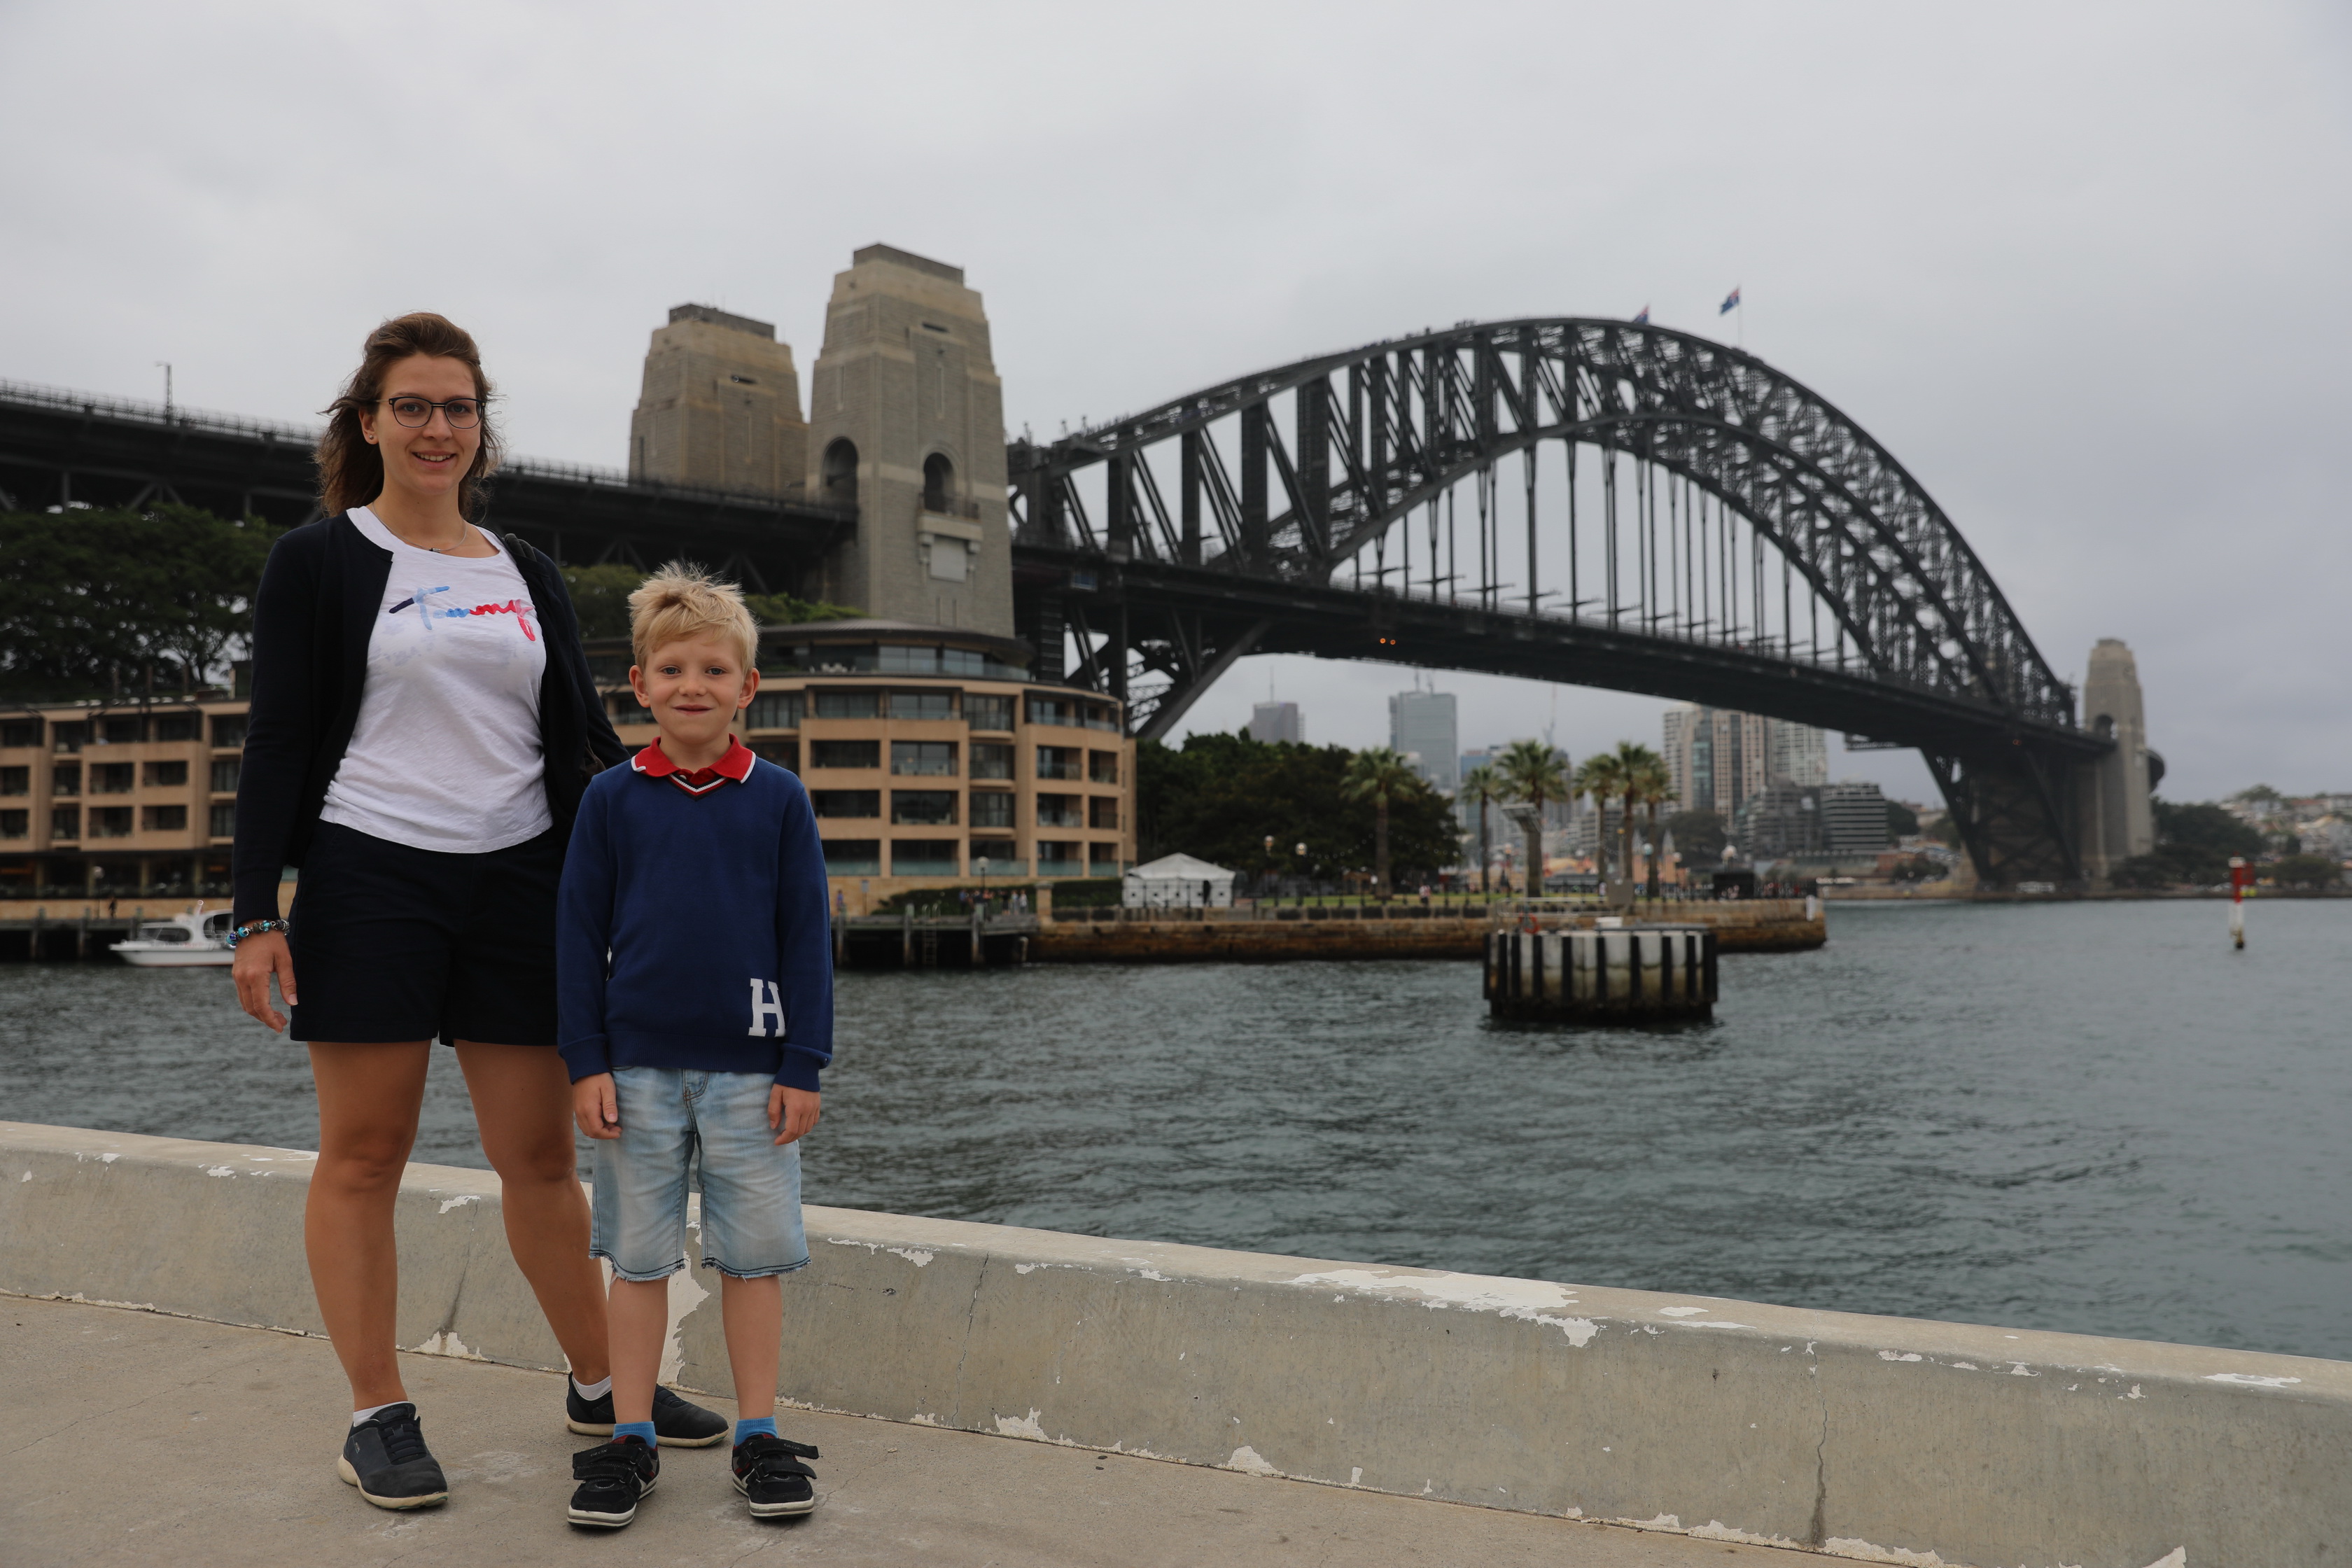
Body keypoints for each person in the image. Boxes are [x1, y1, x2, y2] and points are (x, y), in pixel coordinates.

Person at [228, 314, 725, 1513]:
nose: (437, 427)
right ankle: (376, 1414)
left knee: (543, 1157)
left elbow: (579, 743)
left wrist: (662, 850)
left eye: (457, 408)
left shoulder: (526, 572)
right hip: (371, 873)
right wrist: (256, 910)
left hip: (521, 881)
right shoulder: (321, 560)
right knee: (363, 1155)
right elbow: (281, 739)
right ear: (369, 422)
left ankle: (604, 1383)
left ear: (479, 427)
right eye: (412, 406)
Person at [556, 565, 834, 1530]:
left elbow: (807, 938)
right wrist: (584, 1059)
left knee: (750, 1261)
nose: (692, 685)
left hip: (754, 1073)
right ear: (639, 685)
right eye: (670, 669)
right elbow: (576, 936)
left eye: (714, 669)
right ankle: (629, 1438)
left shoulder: (780, 800)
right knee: (636, 1263)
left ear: (746, 688)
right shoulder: (611, 802)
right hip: (630, 1071)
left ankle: (758, 1434)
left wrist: (804, 1064)